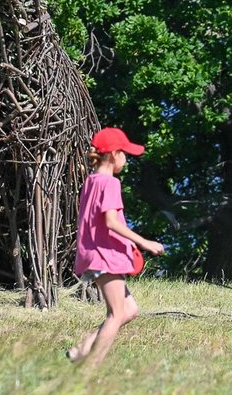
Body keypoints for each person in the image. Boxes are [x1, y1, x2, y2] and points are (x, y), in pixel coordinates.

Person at [67, 127, 165, 364]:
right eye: (124, 154)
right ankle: (90, 369)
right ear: (113, 155)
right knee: (115, 314)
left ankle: (81, 350)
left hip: (92, 254)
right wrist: (144, 242)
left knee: (129, 310)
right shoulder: (110, 184)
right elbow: (111, 222)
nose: (126, 160)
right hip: (105, 256)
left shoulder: (91, 181)